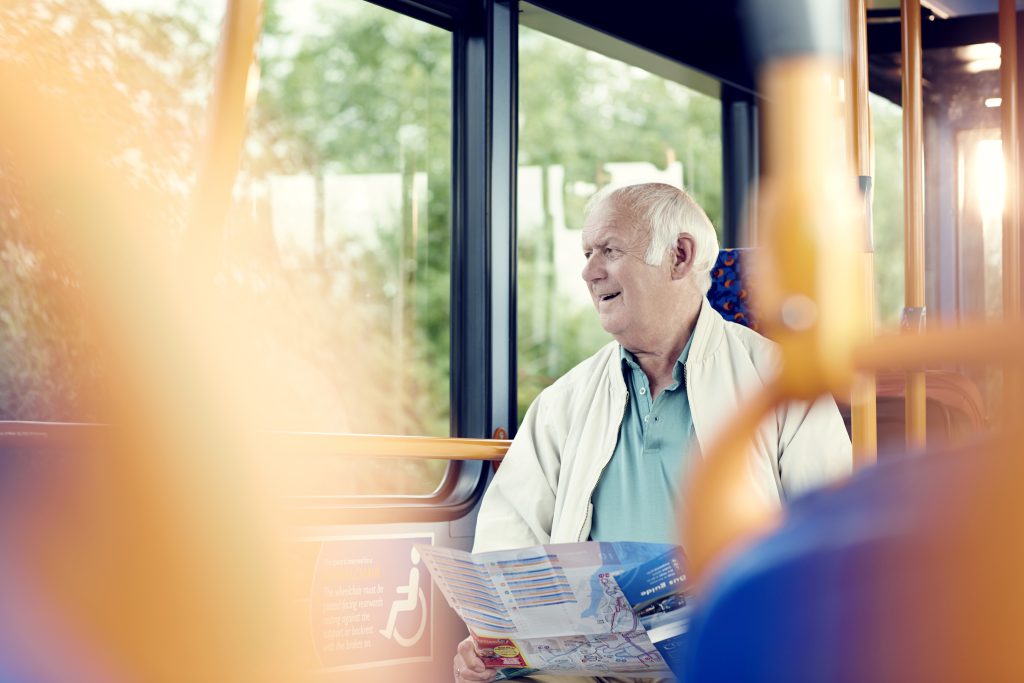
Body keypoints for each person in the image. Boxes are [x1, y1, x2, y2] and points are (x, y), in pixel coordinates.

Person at [452, 183, 852, 682]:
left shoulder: (781, 385)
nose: (589, 271)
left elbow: (834, 550)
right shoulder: (564, 402)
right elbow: (506, 548)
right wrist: (495, 642)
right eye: (586, 253)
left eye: (609, 250)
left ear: (679, 256)